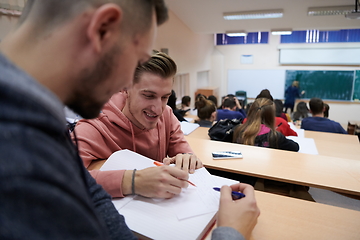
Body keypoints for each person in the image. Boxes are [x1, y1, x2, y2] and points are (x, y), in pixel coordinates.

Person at [0, 1, 260, 239]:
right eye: (137, 59)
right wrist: (231, 233)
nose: (126, 84)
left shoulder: (40, 127)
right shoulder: (21, 157)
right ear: (103, 29)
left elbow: (87, 190)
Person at [74, 52, 202, 198]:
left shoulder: (167, 115)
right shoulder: (92, 127)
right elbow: (62, 181)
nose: (158, 109)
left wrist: (187, 159)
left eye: (165, 97)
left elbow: (186, 155)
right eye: (148, 96)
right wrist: (133, 181)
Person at [233, 98, 299, 152]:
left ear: (251, 111)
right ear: (271, 116)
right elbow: (295, 147)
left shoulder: (237, 130)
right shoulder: (275, 136)